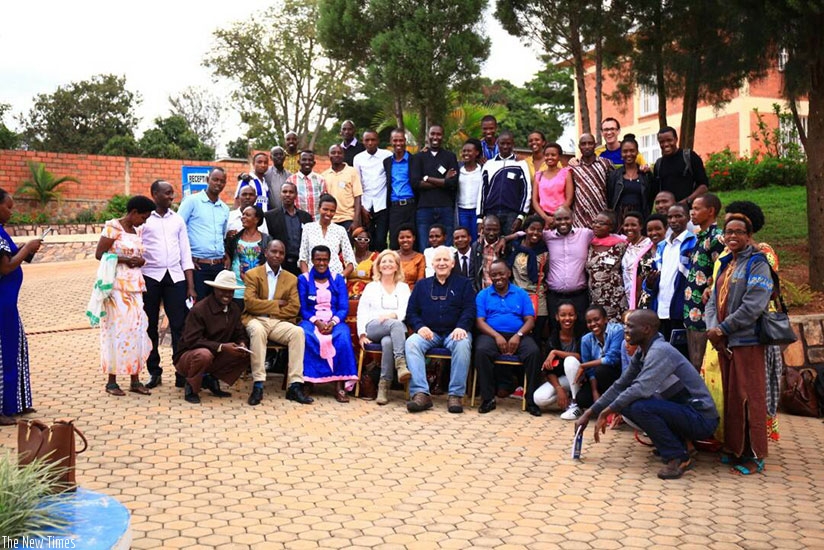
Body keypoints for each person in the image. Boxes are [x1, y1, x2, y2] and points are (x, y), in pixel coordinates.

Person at [574, 309, 720, 480]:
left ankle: (677, 456)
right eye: (625, 326)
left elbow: (640, 388)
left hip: (701, 419)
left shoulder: (660, 351)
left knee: (637, 406)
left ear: (646, 329)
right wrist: (589, 413)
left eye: (630, 327)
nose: (625, 331)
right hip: (684, 411)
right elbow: (621, 385)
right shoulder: (643, 351)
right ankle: (678, 445)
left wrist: (608, 410)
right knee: (629, 404)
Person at [705, 214, 774, 475]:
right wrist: (714, 329)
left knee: (749, 398)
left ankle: (754, 455)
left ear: (749, 235)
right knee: (733, 398)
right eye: (728, 232)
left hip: (748, 341)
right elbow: (711, 299)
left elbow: (754, 305)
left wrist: (722, 329)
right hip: (725, 342)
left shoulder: (758, 263)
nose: (733, 236)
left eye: (739, 232)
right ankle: (735, 448)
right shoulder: (726, 262)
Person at [95, 195, 155, 397]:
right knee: (116, 332)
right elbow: (99, 253)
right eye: (143, 217)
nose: (144, 222)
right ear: (134, 212)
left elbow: (138, 256)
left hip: (135, 287)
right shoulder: (113, 227)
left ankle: (135, 379)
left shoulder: (136, 230)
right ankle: (111, 381)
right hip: (116, 288)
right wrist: (125, 259)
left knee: (136, 332)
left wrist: (139, 261)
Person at [405, 246, 476, 414]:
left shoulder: (464, 284)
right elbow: (411, 312)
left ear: (452, 263)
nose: (442, 263)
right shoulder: (422, 285)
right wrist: (420, 327)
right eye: (438, 260)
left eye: (445, 260)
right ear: (432, 264)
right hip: (430, 333)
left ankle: (455, 395)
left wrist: (461, 327)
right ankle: (421, 393)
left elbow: (470, 310)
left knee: (463, 343)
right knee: (411, 343)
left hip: (454, 332)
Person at [243, 240, 313, 406]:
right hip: (256, 319)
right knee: (258, 331)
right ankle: (258, 384)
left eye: (281, 253)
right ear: (266, 252)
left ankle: (294, 386)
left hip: (279, 322)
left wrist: (266, 307)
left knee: (298, 333)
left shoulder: (290, 278)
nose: (277, 255)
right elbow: (250, 303)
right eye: (274, 251)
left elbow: (294, 308)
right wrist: (277, 304)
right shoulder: (253, 274)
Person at [141, 180, 196, 390]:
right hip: (150, 277)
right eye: (167, 193)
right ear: (154, 194)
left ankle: (181, 370)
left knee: (179, 326)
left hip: (175, 277)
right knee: (150, 326)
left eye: (172, 193)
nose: (171, 197)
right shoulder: (145, 220)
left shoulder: (178, 220)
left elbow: (185, 252)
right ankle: (154, 371)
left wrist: (190, 285)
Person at [475, 260, 541, 415]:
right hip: (491, 334)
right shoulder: (483, 294)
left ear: (509, 273)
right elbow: (479, 322)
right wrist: (497, 336)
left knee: (534, 352)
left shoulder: (521, 293)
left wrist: (518, 335)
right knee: (481, 351)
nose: (498, 277)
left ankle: (531, 400)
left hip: (519, 334)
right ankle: (488, 399)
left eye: (501, 273)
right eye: (494, 275)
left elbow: (530, 320)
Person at [173, 270, 250, 404]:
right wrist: (221, 347)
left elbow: (240, 333)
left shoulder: (234, 309)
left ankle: (210, 378)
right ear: (215, 289)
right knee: (204, 355)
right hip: (189, 356)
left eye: (230, 291)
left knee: (244, 354)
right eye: (223, 290)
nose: (227, 294)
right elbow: (192, 340)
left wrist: (242, 343)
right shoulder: (200, 309)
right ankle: (191, 386)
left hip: (215, 354)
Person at [0, 188, 42, 424]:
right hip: (2, 304)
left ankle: (15, 402)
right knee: (3, 353)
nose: (11, 212)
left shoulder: (1, 232)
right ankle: (3, 409)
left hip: (8, 303)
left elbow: (12, 258)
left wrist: (27, 249)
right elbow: (5, 267)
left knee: (16, 350)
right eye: (8, 207)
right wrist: (26, 248)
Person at [298, 245, 359, 402]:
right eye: (318, 259)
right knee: (304, 335)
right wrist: (317, 322)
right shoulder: (303, 279)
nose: (321, 263)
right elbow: (303, 309)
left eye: (325, 260)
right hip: (311, 320)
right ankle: (308, 381)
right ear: (312, 260)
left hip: (334, 320)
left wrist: (332, 322)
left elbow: (343, 307)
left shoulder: (337, 279)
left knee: (343, 336)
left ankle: (339, 384)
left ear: (329, 260)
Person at [356, 250, 412, 405]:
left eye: (391, 262)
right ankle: (400, 363)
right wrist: (361, 334)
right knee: (397, 326)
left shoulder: (403, 288)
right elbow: (362, 311)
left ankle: (383, 386)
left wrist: (391, 316)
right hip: (374, 327)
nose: (387, 264)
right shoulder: (371, 287)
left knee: (388, 342)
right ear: (378, 267)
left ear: (397, 267)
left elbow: (405, 310)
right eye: (383, 262)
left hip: (394, 328)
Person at [560, 305, 624, 420]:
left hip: (617, 376)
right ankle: (599, 403)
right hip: (599, 380)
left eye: (596, 319)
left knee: (602, 369)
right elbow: (590, 372)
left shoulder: (617, 330)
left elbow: (612, 359)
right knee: (582, 399)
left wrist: (583, 365)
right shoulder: (586, 340)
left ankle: (617, 408)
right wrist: (594, 392)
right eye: (589, 322)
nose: (593, 324)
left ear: (605, 319)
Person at [683, 193, 724, 370]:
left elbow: (720, 273)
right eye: (692, 208)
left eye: (697, 209)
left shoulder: (717, 238)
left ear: (711, 211)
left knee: (703, 365)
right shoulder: (699, 237)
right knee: (694, 362)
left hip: (704, 314)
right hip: (690, 312)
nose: (692, 212)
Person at [178, 167, 230, 299]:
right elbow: (177, 230)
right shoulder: (191, 201)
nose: (218, 183)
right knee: (196, 308)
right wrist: (187, 259)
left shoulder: (224, 208)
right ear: (208, 180)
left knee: (216, 308)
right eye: (215, 179)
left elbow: (221, 235)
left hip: (218, 267)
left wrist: (225, 255)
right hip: (198, 267)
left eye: (222, 181)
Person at [647, 204, 696, 342]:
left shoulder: (693, 243)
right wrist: (650, 284)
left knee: (680, 353)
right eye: (670, 217)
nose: (673, 220)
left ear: (687, 218)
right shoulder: (662, 246)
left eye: (678, 216)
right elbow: (655, 276)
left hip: (680, 310)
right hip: (660, 309)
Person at [544, 206, 592, 334]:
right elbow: (527, 234)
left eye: (566, 218)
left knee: (582, 331)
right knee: (556, 331)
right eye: (559, 219)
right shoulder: (547, 237)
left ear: (573, 218)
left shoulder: (585, 234)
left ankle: (579, 355)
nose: (563, 222)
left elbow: (607, 236)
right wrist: (505, 238)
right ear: (554, 220)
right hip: (555, 297)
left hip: (579, 296)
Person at [478, 130, 531, 235]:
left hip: (512, 213)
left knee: (509, 245)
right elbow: (482, 191)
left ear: (513, 144)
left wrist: (521, 216)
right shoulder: (489, 164)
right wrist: (479, 218)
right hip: (491, 212)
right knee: (491, 244)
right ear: (497, 144)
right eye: (502, 143)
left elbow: (526, 191)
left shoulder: (521, 164)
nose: (505, 146)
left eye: (508, 143)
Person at [415, 125, 459, 247]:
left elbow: (453, 183)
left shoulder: (450, 157)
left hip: (445, 207)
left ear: (443, 136)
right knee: (425, 245)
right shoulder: (419, 157)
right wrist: (443, 181)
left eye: (438, 134)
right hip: (424, 208)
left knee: (447, 246)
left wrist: (427, 178)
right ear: (428, 136)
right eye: (432, 134)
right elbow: (416, 183)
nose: (435, 137)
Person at [533, 302, 582, 412]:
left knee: (570, 361)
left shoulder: (581, 334)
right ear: (557, 317)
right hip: (564, 380)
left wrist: (556, 352)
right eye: (563, 315)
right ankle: (566, 396)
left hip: (580, 378)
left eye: (571, 314)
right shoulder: (553, 338)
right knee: (538, 398)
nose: (567, 318)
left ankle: (575, 403)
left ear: (576, 316)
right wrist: (559, 389)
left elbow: (580, 357)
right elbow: (549, 370)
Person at [508, 216, 549, 342]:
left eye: (539, 230)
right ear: (525, 229)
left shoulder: (544, 251)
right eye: (532, 229)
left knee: (535, 335)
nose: (535, 233)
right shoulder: (514, 247)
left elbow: (546, 273)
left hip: (537, 297)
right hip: (516, 295)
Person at [225, 205, 272, 308]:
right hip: (237, 288)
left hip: (257, 289)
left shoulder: (267, 240)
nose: (243, 217)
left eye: (248, 215)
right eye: (243, 214)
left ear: (256, 219)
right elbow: (227, 253)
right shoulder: (234, 238)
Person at [298, 194, 356, 276]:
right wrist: (308, 279)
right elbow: (303, 259)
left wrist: (339, 278)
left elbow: (351, 261)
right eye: (325, 209)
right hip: (313, 278)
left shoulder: (340, 230)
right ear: (319, 209)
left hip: (335, 277)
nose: (328, 213)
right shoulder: (308, 228)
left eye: (332, 211)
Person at [353, 130, 392, 251]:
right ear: (363, 142)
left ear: (378, 141)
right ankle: (367, 267)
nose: (370, 143)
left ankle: (381, 266)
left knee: (381, 240)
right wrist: (362, 207)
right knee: (368, 239)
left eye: (373, 140)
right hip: (366, 205)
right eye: (367, 140)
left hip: (382, 203)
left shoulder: (387, 155)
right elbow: (358, 183)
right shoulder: (358, 158)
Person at [586, 210, 628, 323]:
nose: (596, 225)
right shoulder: (590, 245)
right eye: (595, 222)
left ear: (611, 227)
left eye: (601, 223)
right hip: (595, 297)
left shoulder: (621, 245)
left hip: (614, 296)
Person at [263, 181, 312, 276]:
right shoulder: (270, 216)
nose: (288, 195)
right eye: (284, 192)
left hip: (301, 265)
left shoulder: (306, 217)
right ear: (280, 194)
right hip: (280, 264)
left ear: (296, 195)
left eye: (291, 192)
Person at [384, 129, 421, 249]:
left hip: (411, 205)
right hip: (395, 207)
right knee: (395, 240)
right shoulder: (387, 162)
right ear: (391, 141)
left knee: (413, 239)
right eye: (395, 140)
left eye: (401, 140)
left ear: (405, 141)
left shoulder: (415, 160)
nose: (398, 143)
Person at [653, 126, 709, 204]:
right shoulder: (659, 164)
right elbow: (656, 191)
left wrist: (686, 202)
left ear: (676, 139)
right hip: (668, 212)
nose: (665, 144)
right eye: (662, 142)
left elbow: (703, 186)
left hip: (689, 210)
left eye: (669, 140)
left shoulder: (689, 157)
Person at [568, 133, 613, 229]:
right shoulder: (573, 167)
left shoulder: (606, 163)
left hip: (601, 215)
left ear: (595, 145)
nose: (587, 146)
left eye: (590, 143)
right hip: (580, 217)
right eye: (583, 144)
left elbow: (613, 189)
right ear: (579, 146)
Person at [606, 135, 653, 224]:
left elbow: (650, 198)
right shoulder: (614, 175)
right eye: (625, 151)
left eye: (632, 151)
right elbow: (610, 199)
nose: (628, 154)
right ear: (621, 153)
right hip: (620, 219)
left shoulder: (645, 175)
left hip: (641, 218)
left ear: (637, 152)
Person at [322, 144, 363, 233]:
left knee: (347, 246)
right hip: (330, 219)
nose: (336, 155)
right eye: (333, 153)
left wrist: (356, 220)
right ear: (329, 155)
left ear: (343, 155)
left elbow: (357, 197)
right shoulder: (324, 176)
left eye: (339, 153)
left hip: (348, 218)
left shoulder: (352, 172)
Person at [532, 143, 572, 229]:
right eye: (547, 155)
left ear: (559, 157)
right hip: (542, 217)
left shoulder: (566, 173)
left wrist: (556, 217)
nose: (550, 157)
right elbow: (535, 201)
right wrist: (545, 217)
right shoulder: (538, 175)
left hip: (561, 218)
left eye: (553, 155)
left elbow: (569, 199)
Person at [620, 211, 655, 311]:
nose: (629, 228)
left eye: (633, 225)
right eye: (626, 225)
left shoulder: (649, 244)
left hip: (644, 295)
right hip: (628, 297)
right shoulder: (627, 246)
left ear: (641, 226)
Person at [469, 214, 509, 293]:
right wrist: (476, 293)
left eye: (495, 230)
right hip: (482, 293)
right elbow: (472, 275)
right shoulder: (476, 246)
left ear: (500, 230)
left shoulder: (506, 247)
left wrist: (505, 239)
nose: (491, 233)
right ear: (482, 229)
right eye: (488, 229)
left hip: (501, 293)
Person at [636, 213, 668, 309]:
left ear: (665, 229)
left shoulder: (670, 250)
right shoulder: (644, 254)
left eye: (658, 229)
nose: (654, 233)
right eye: (650, 230)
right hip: (646, 301)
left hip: (664, 299)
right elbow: (639, 280)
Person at [288, 150, 327, 221]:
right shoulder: (291, 180)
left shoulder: (320, 180)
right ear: (299, 162)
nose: (307, 162)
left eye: (310, 160)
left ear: (314, 163)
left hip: (316, 220)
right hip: (298, 220)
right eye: (304, 160)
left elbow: (324, 201)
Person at [457, 139, 483, 242]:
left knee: (476, 238)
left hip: (476, 211)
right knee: (463, 238)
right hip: (462, 210)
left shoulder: (482, 170)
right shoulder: (458, 169)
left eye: (469, 151)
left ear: (476, 153)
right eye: (464, 151)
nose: (466, 153)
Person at [347, 227, 378, 298]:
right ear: (354, 241)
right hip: (347, 292)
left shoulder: (375, 257)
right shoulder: (345, 257)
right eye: (359, 239)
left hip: (368, 293)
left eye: (366, 240)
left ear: (368, 243)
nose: (362, 241)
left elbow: (377, 279)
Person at [397, 224, 425, 289]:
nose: (405, 240)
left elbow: (420, 282)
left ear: (414, 238)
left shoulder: (420, 258)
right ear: (398, 239)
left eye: (408, 237)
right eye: (402, 237)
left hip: (413, 293)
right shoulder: (392, 256)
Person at [263, 146, 290, 210]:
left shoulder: (289, 175)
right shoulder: (265, 173)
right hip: (270, 212)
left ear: (285, 156)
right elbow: (253, 176)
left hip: (286, 212)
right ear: (271, 157)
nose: (279, 156)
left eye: (281, 154)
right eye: (275, 154)